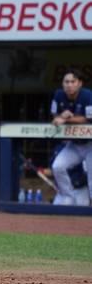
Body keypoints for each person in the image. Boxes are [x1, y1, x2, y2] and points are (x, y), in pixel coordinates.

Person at [50, 68, 92, 205]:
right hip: (74, 144)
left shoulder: (87, 95)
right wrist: (61, 116)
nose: (69, 85)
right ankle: (67, 196)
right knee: (57, 166)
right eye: (66, 82)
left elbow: (89, 119)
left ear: (80, 83)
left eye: (72, 82)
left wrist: (68, 118)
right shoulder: (58, 94)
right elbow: (55, 116)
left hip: (90, 144)